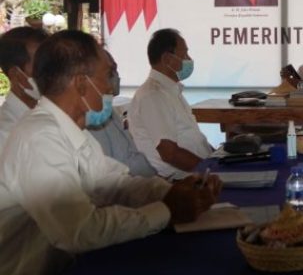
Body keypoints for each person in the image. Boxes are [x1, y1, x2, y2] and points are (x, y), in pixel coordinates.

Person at [0, 30, 220, 275]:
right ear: (81, 83)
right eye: (107, 75)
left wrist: (168, 191)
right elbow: (80, 231)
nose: (110, 86)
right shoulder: (39, 138)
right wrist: (167, 211)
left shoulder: (69, 130)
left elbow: (112, 183)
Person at [129, 29, 214, 178]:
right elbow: (169, 153)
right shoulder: (153, 96)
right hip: (180, 181)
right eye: (185, 55)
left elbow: (191, 136)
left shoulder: (171, 91)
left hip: (199, 172)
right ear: (167, 59)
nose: (189, 60)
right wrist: (210, 171)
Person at [88, 50, 157, 177]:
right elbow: (110, 176)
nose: (115, 77)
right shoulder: (94, 117)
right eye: (110, 73)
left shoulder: (108, 109)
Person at [0, 26, 48, 146]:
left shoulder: (46, 114)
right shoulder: (6, 131)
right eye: (41, 65)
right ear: (15, 74)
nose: (50, 72)